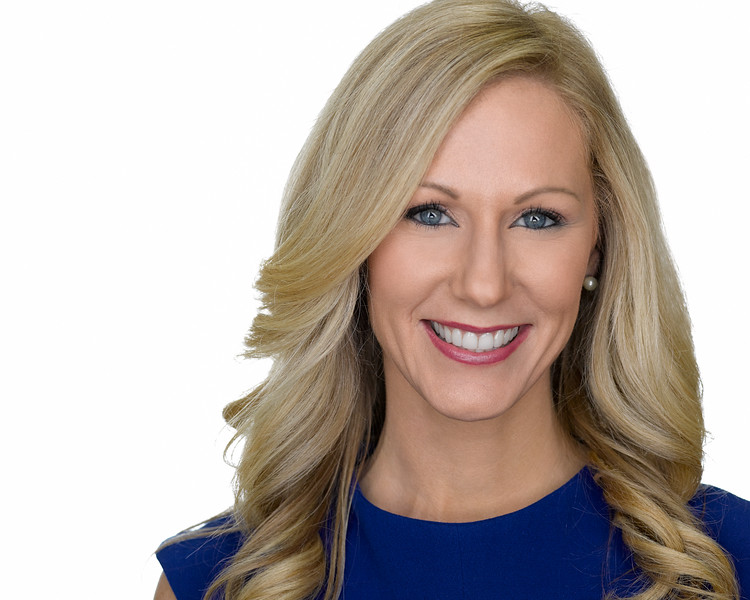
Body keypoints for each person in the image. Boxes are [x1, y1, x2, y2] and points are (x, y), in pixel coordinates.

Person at [154, 1, 750, 599]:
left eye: (537, 218)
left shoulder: (728, 564)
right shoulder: (216, 583)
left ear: (599, 245)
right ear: (354, 239)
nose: (484, 285)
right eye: (430, 213)